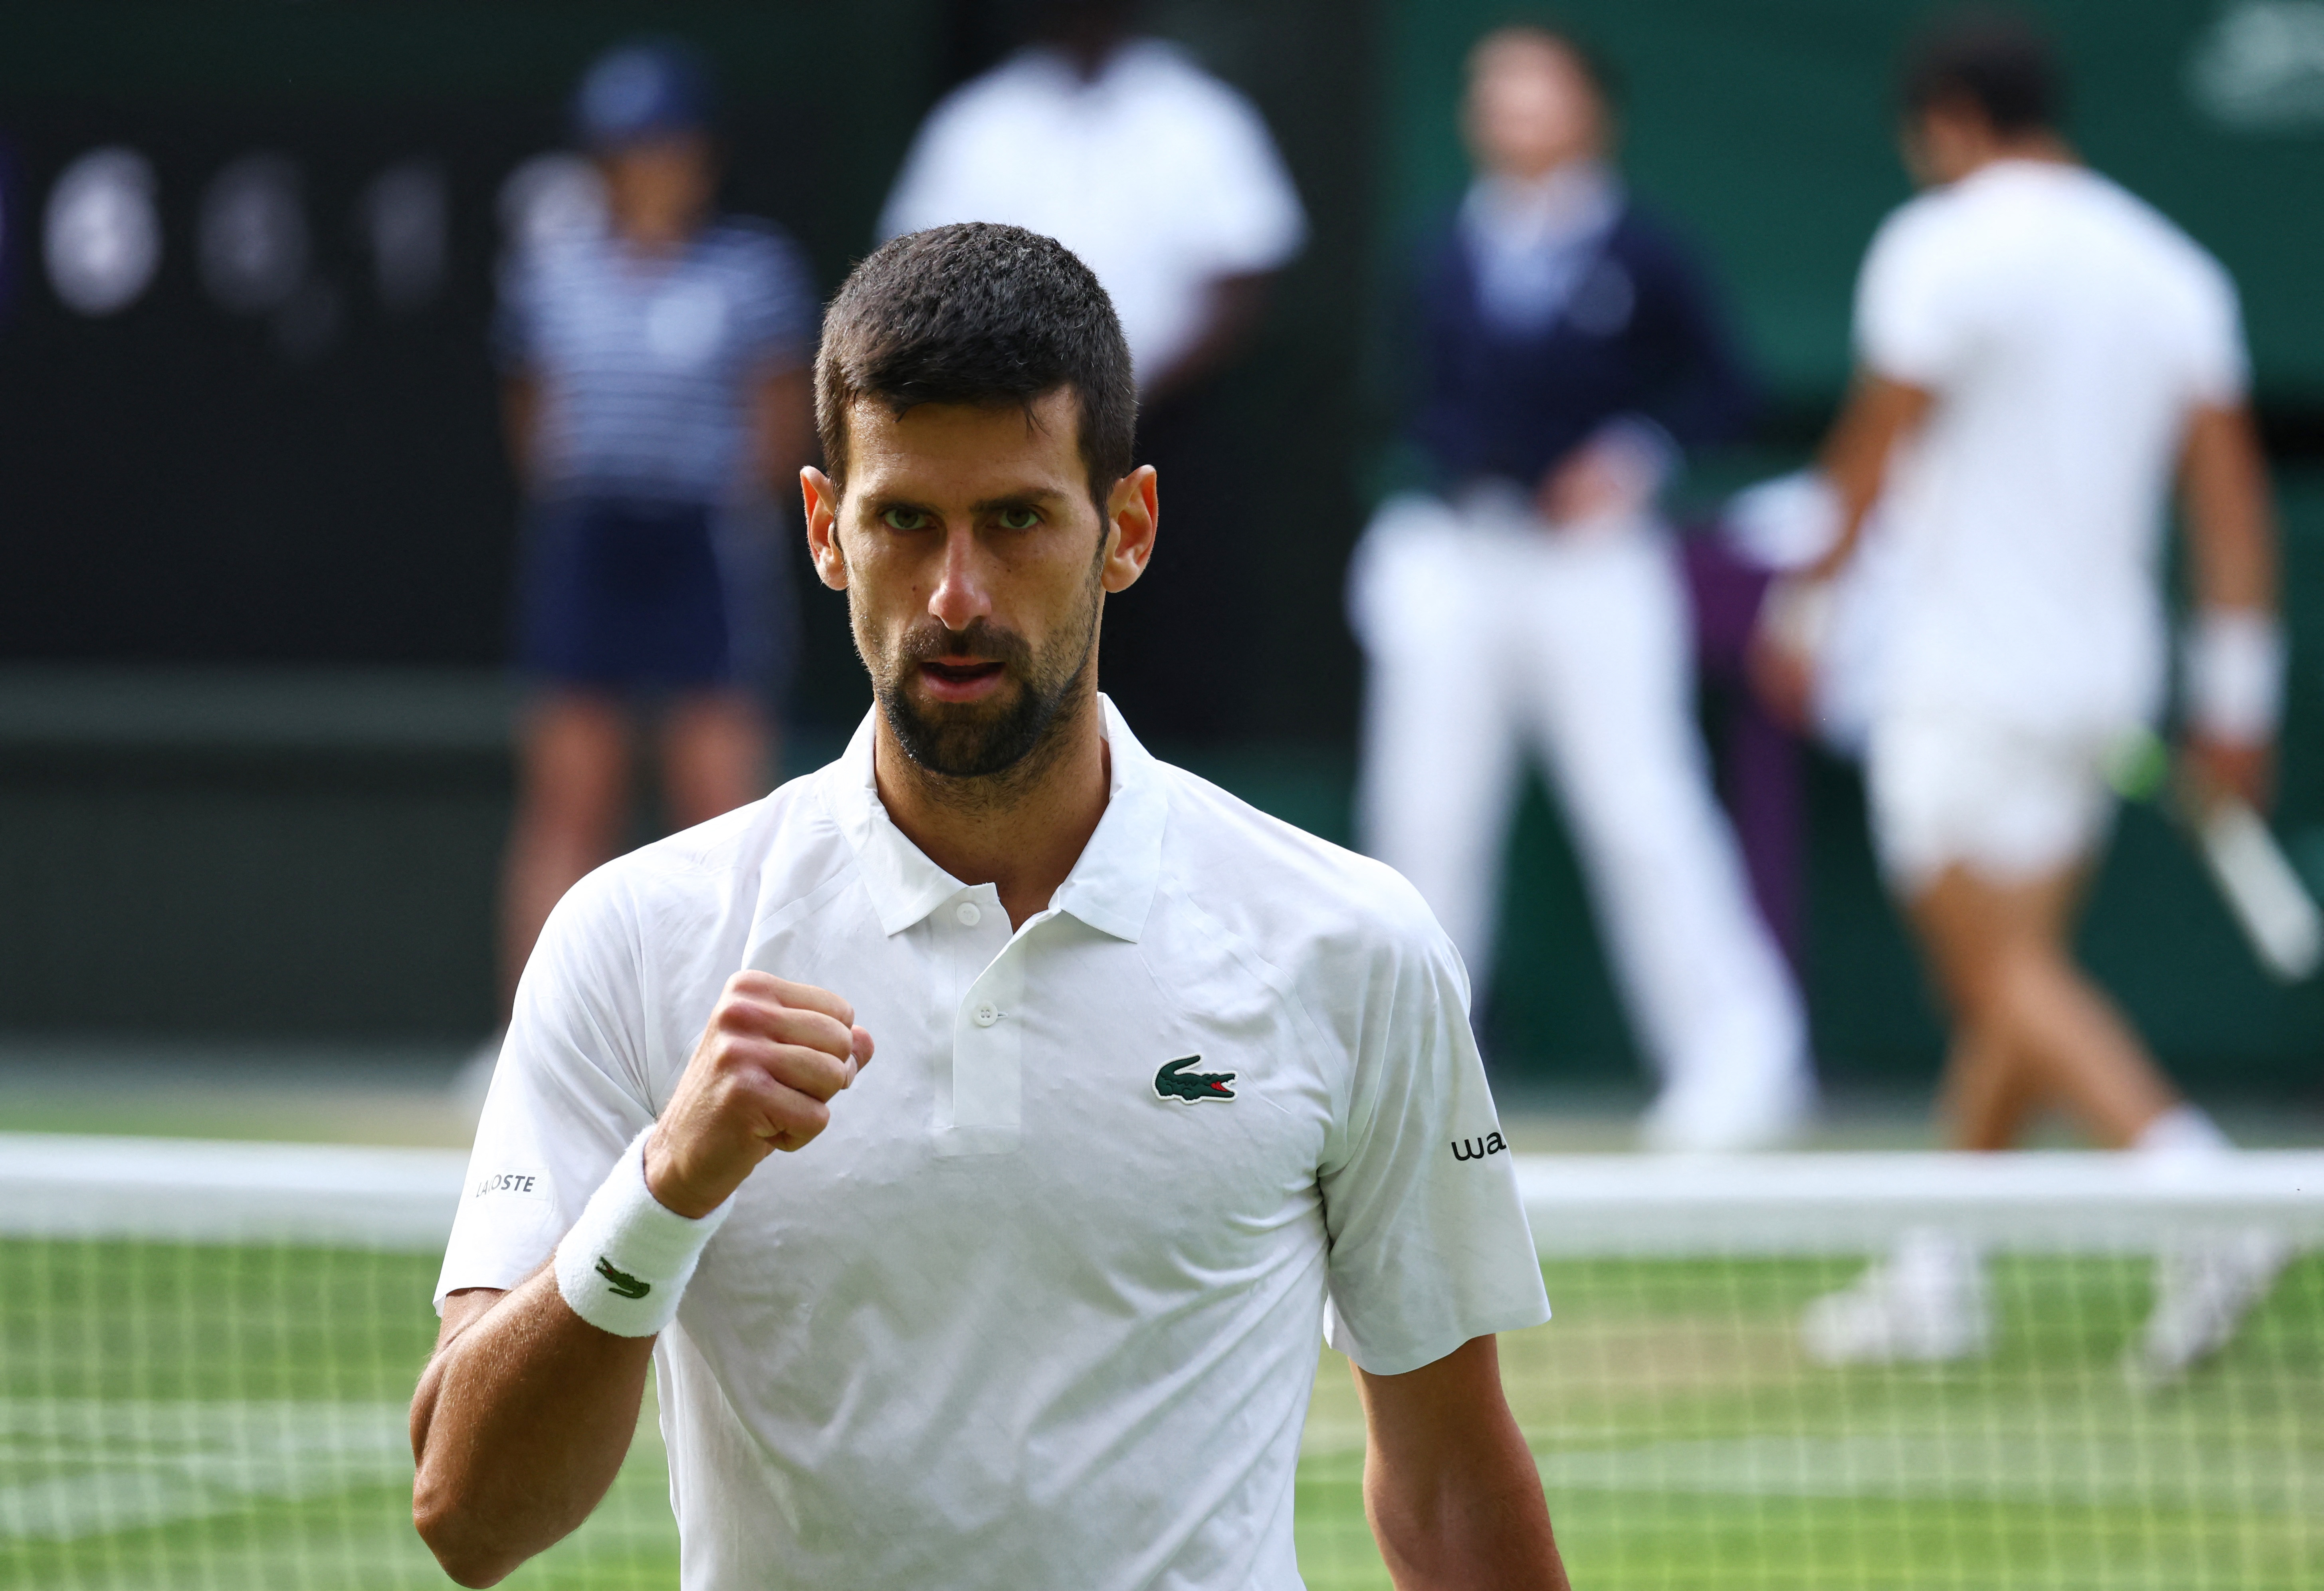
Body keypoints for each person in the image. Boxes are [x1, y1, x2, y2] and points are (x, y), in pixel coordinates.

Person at [412, 223, 1567, 1590]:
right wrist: (665, 1187)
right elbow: (469, 1516)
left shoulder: (1352, 943)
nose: (956, 595)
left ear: (1125, 527)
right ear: (823, 531)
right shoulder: (635, 939)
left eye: (1015, 518)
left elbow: (1445, 1485)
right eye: (904, 519)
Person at [1757, 15, 2290, 1381]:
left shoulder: (1940, 247)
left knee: (1995, 973)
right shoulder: (2171, 268)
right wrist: (2240, 697)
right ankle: (1941, 1269)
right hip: (2102, 681)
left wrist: (1805, 603)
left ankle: (2200, 1195)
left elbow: (1874, 448)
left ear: (1944, 122)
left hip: (1961, 675)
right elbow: (2232, 505)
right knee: (2016, 984)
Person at [1349, 23, 1815, 1152]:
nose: (1505, 110)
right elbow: (1402, 398)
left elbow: (1718, 389)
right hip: (1462, 559)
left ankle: (1738, 1064)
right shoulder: (1439, 253)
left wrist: (1629, 458)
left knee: (1641, 809)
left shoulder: (1647, 252)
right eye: (1486, 90)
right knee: (1423, 822)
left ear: (1587, 111)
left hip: (1599, 575)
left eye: (1529, 90)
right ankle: (1403, 1080)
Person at [878, 0, 1308, 738]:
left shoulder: (1198, 117)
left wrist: (1121, 396)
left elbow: (1241, 280)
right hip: (999, 432)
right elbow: (917, 273)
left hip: (1169, 426)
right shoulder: (979, 123)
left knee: (1173, 636)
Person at [494, 40, 819, 1015]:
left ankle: (735, 1033)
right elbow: (533, 414)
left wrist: (708, 494)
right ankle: (532, 1037)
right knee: (567, 795)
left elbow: (776, 420)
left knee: (720, 803)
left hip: (703, 547)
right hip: (588, 540)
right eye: (626, 149)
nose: (647, 168)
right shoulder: (549, 275)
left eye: (664, 145)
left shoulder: (755, 270)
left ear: (700, 157)